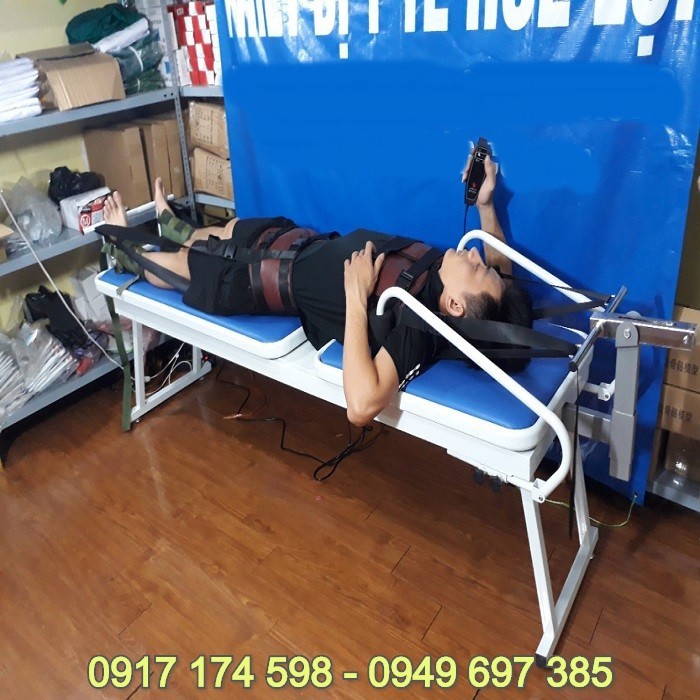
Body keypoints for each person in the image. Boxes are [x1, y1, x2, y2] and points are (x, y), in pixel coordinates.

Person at [102, 157, 532, 426]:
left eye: (477, 269)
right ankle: (172, 224)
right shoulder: (447, 278)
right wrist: (485, 205)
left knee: (183, 269)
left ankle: (126, 247)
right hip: (298, 242)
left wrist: (356, 295)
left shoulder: (419, 325)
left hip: (264, 283)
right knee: (225, 231)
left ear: (454, 306)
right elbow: (502, 274)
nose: (475, 255)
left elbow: (361, 406)